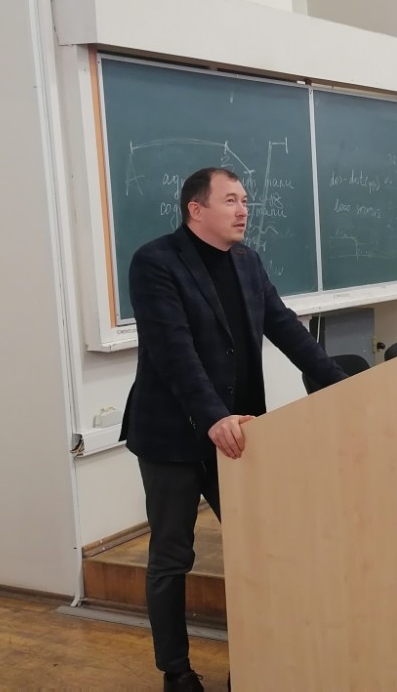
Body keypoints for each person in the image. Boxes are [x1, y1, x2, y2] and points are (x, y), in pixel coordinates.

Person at [121, 167, 347, 691]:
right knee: (172, 556)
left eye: (245, 200)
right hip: (174, 436)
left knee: (262, 544)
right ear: (196, 209)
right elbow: (173, 351)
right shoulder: (155, 262)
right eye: (230, 200)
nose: (243, 210)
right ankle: (176, 671)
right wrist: (212, 416)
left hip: (240, 433)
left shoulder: (247, 261)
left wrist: (343, 384)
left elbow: (286, 327)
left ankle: (260, 657)